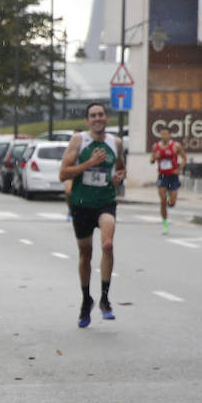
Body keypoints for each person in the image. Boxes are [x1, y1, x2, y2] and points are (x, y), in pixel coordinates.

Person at [60, 102, 126, 328]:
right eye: (93, 115)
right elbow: (63, 173)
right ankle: (86, 299)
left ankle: (105, 299)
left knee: (107, 245)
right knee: (85, 255)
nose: (97, 118)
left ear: (106, 118)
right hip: (81, 203)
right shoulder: (79, 141)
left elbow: (120, 168)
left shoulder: (115, 142)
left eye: (101, 114)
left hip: (105, 202)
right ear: (88, 120)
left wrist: (119, 176)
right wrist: (90, 163)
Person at [152, 126, 185, 232]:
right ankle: (165, 223)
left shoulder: (175, 146)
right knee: (162, 201)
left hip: (173, 176)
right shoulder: (156, 146)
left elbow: (184, 158)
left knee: (172, 203)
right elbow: (151, 160)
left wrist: (179, 169)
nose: (163, 136)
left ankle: (169, 197)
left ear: (170, 135)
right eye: (162, 134)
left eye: (166, 134)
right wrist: (155, 157)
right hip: (162, 176)